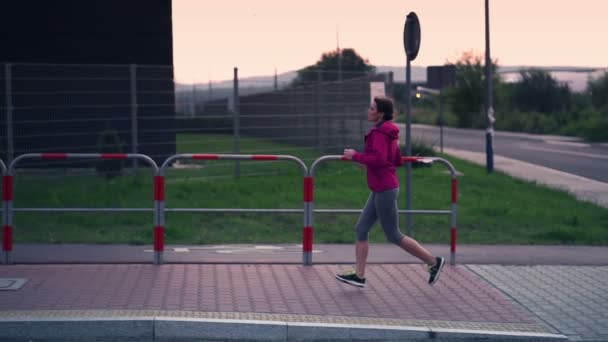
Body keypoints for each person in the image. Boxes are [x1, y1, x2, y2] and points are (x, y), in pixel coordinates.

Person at [335, 96, 445, 288]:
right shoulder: (388, 133)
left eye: (371, 108)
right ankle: (359, 276)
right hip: (382, 187)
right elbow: (395, 160)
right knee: (361, 229)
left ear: (380, 114)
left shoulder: (380, 134)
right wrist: (364, 162)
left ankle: (433, 262)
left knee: (394, 234)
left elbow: (379, 159)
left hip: (385, 188)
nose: (368, 111)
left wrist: (356, 156)